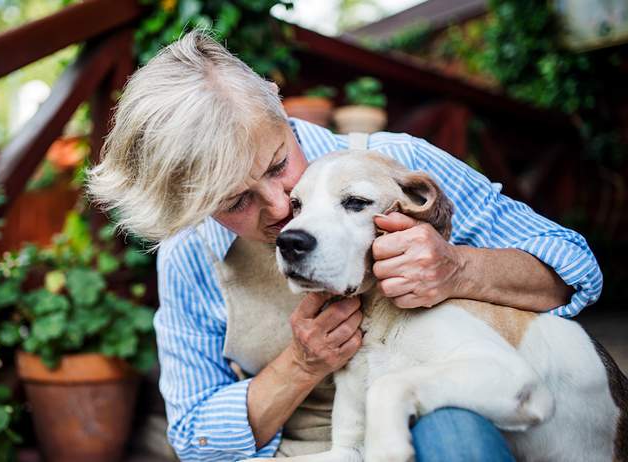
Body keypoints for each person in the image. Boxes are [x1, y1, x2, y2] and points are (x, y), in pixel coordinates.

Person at [87, 31, 602, 462]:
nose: (280, 208)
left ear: (277, 106)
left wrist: (460, 268)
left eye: (276, 166)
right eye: (236, 200)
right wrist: (301, 364)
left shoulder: (391, 165)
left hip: (442, 420)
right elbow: (195, 438)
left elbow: (574, 267)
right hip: (314, 451)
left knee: (451, 427)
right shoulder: (189, 253)